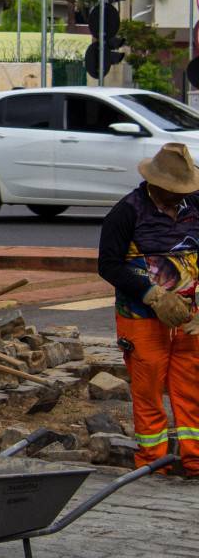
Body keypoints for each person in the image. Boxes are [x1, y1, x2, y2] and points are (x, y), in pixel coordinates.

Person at [98, 142, 199, 477]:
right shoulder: (126, 212)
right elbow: (109, 266)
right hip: (141, 317)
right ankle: (152, 464)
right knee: (149, 390)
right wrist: (153, 295)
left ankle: (194, 459)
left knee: (192, 388)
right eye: (172, 191)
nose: (177, 197)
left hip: (189, 317)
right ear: (154, 184)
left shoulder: (195, 206)